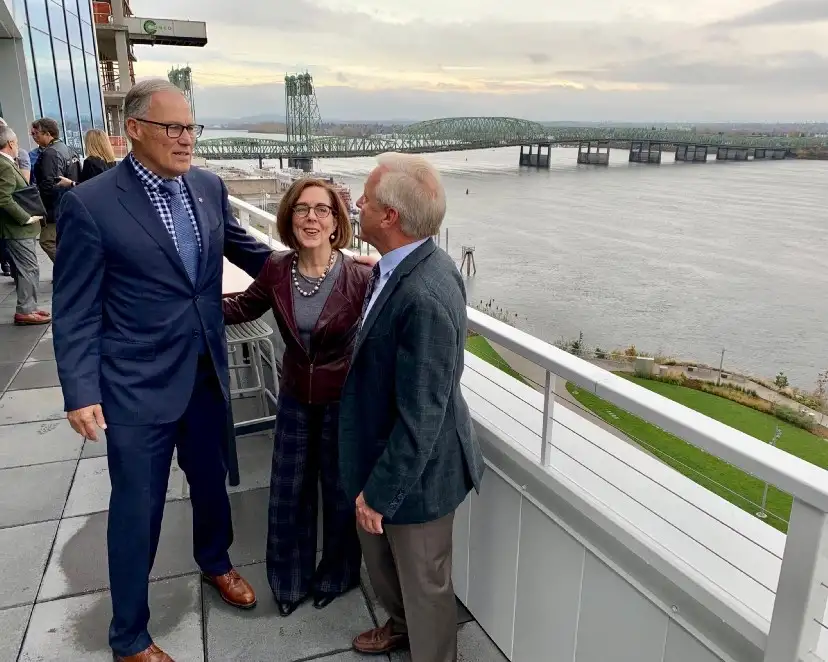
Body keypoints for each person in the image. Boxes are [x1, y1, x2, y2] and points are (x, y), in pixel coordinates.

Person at [52, 79, 273, 662]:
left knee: (212, 484)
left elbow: (246, 249)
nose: (186, 140)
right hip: (134, 388)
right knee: (137, 511)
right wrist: (79, 390)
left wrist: (317, 262)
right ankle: (129, 635)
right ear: (136, 130)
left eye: (191, 128)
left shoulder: (207, 186)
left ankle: (216, 563)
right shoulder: (91, 204)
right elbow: (74, 309)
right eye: (173, 128)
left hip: (204, 374)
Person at [339, 152, 485, 662]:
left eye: (366, 198)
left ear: (390, 217)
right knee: (384, 566)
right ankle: (399, 629)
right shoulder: (404, 266)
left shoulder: (423, 292)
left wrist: (377, 494)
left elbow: (422, 416)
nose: (356, 204)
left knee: (426, 589)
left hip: (414, 476)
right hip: (384, 459)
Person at [222, 178, 369, 617]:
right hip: (293, 400)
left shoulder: (361, 276)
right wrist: (187, 306)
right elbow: (242, 308)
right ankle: (288, 583)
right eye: (302, 209)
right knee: (289, 493)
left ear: (336, 222)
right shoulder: (275, 269)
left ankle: (338, 575)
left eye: (322, 210)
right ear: (289, 217)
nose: (311, 218)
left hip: (342, 402)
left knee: (340, 494)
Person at [0, 125, 48, 325]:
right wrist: (25, 218)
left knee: (25, 269)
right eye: (17, 142)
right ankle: (25, 310)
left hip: (16, 229)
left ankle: (29, 307)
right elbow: (3, 198)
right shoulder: (3, 164)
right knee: (29, 268)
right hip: (17, 229)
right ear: (11, 143)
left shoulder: (7, 162)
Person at [30, 117, 80, 262]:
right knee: (62, 241)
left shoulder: (50, 153)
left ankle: (69, 270)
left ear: (48, 133)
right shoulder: (68, 149)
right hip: (68, 202)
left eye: (36, 133)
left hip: (56, 207)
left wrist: (41, 207)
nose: (35, 137)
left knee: (47, 241)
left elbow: (48, 184)